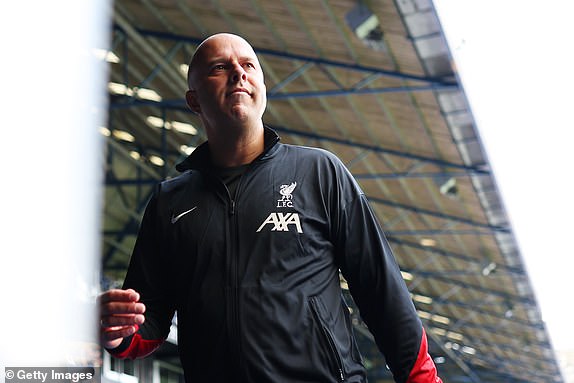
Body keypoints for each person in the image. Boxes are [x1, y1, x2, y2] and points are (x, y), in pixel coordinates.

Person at [100, 32, 442, 383]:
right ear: (194, 101)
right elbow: (147, 319)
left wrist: (421, 378)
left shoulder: (320, 173)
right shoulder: (170, 202)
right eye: (220, 67)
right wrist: (119, 330)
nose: (238, 73)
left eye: (248, 65)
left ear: (262, 87)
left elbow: (381, 289)